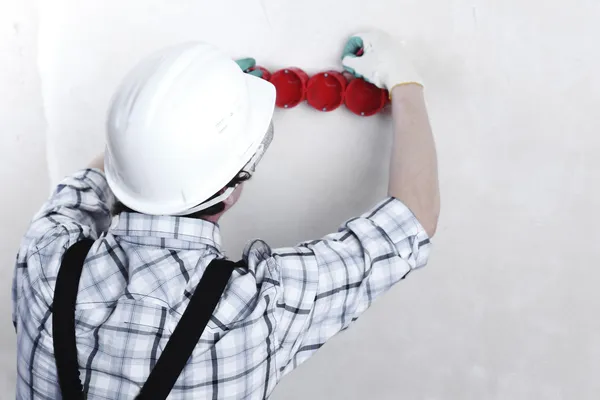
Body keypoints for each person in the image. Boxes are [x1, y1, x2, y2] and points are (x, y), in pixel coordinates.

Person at [12, 31, 439, 399]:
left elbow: (94, 178)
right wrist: (406, 83)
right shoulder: (253, 312)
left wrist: (178, 121)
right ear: (231, 190)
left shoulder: (45, 259)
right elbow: (411, 221)